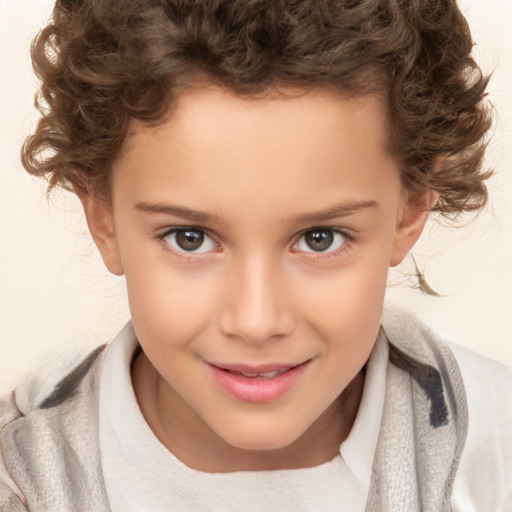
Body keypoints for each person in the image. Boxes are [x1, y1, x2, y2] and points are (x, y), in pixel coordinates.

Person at [1, 0, 511, 510]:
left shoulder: (496, 453)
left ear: (410, 211)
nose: (255, 321)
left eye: (320, 238)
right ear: (103, 219)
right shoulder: (22, 478)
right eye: (189, 238)